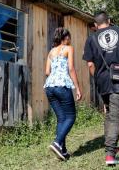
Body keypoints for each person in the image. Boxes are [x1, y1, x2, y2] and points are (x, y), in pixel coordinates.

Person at [83, 11, 119, 166]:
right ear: (109, 21)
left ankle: (110, 147)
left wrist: (98, 79)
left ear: (95, 25)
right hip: (118, 78)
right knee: (114, 116)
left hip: (102, 81)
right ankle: (110, 155)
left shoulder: (91, 38)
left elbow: (90, 64)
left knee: (109, 114)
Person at [44, 27, 82, 161]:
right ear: (65, 38)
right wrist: (77, 88)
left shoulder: (51, 51)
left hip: (49, 87)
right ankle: (57, 142)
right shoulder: (68, 48)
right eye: (69, 37)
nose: (70, 40)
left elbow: (47, 71)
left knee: (61, 118)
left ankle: (63, 150)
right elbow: (71, 68)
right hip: (62, 86)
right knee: (71, 116)